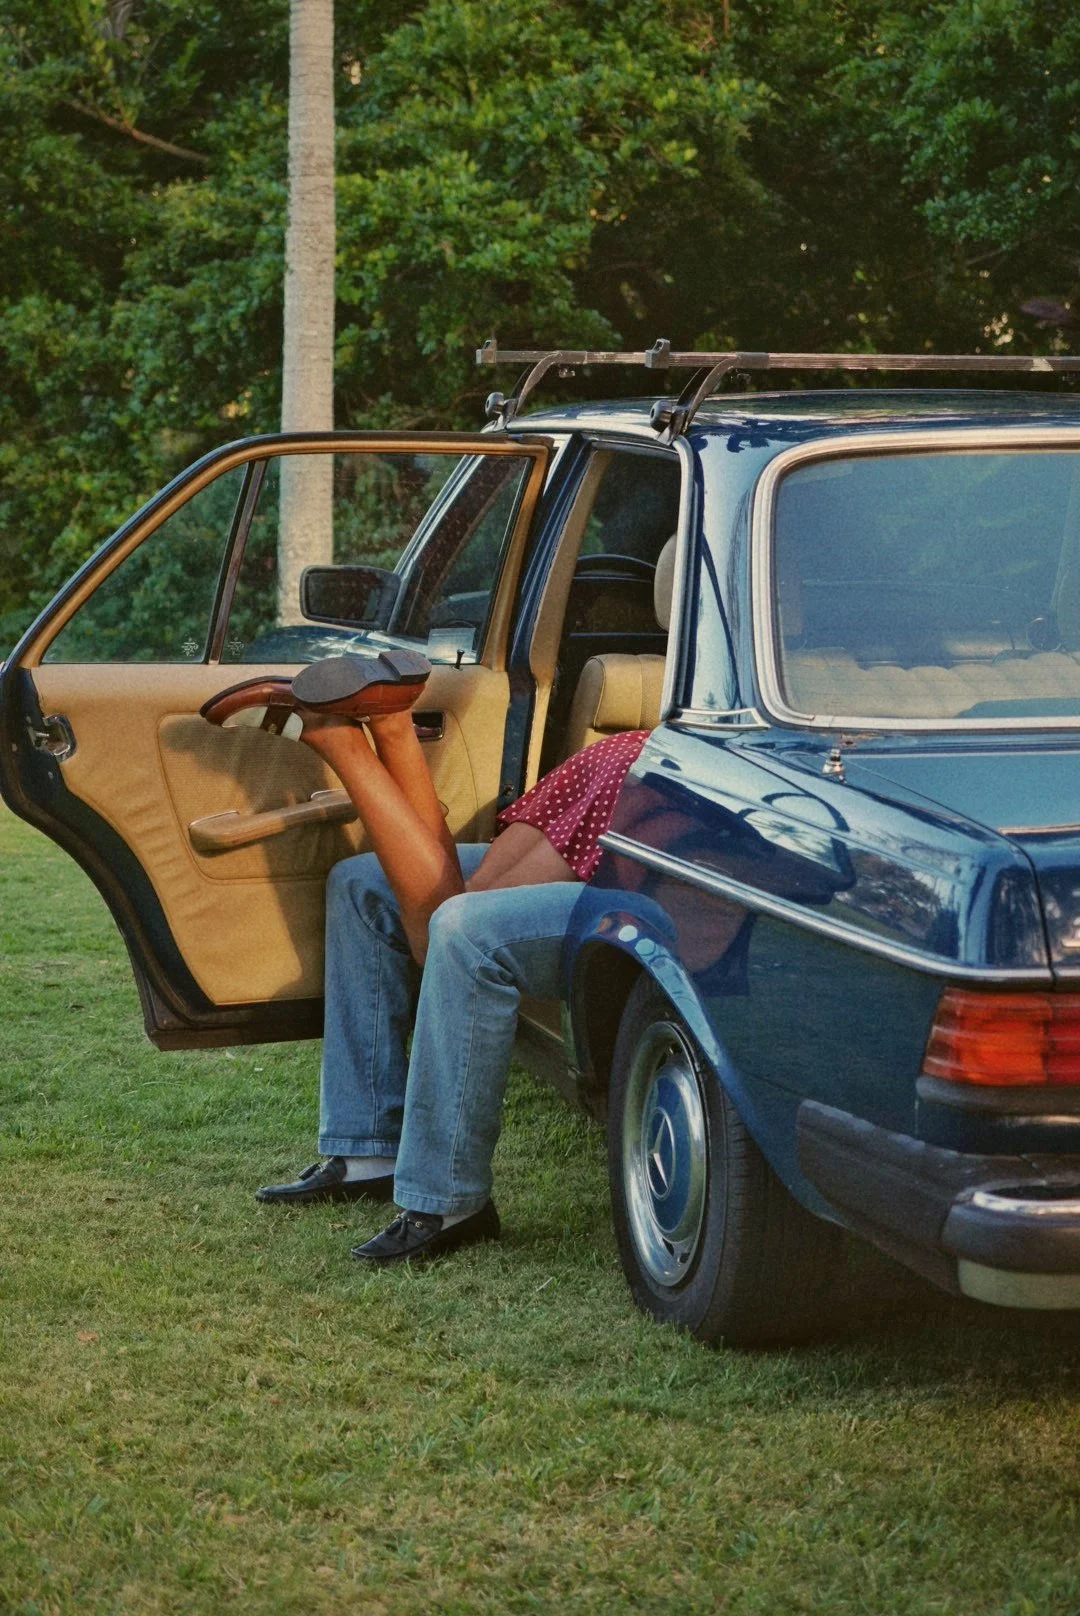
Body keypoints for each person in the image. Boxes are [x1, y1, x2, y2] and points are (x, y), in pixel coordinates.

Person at [209, 651, 649, 1265]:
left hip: (635, 879)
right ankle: (367, 1151)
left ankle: (449, 1201)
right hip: (636, 768)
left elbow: (455, 915)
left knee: (462, 926)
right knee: (365, 886)